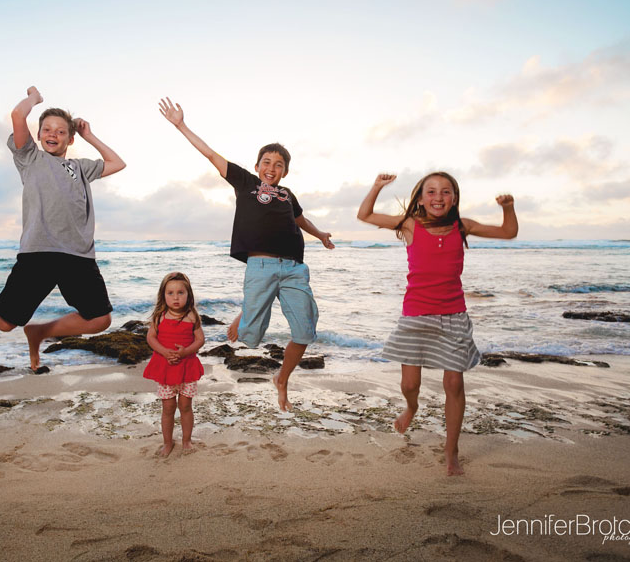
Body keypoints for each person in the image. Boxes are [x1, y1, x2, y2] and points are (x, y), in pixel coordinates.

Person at [159, 97, 334, 412]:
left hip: (294, 268)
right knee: (249, 337)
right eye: (267, 162)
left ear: (285, 172)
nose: (272, 167)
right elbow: (211, 154)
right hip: (261, 266)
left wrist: (320, 234)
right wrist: (181, 125)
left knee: (306, 331)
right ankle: (250, 309)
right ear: (257, 166)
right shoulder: (245, 182)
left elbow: (300, 220)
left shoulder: (287, 194)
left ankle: (282, 379)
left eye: (279, 165)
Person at [0, 86, 126, 373]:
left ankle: (40, 331)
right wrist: (34, 99)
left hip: (78, 256)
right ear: (39, 134)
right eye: (47, 130)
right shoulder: (29, 158)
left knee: (100, 320)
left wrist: (89, 135)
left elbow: (118, 163)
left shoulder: (79, 167)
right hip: (38, 253)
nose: (53, 135)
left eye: (60, 131)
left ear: (70, 137)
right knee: (5, 323)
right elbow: (18, 115)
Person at [357, 171, 517, 476]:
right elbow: (364, 215)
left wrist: (507, 208)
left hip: (454, 314)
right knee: (409, 384)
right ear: (420, 198)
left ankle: (451, 450)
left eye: (445, 192)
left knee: (454, 383)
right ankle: (412, 407)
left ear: (454, 198)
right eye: (431, 192)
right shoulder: (409, 225)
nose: (438, 197)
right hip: (415, 315)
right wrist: (377, 186)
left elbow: (508, 232)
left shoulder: (463, 226)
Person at [143, 272, 206, 457]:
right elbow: (151, 337)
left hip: (187, 368)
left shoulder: (192, 315)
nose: (176, 297)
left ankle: (186, 440)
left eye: (180, 292)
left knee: (186, 406)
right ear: (163, 295)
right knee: (168, 408)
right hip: (165, 368)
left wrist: (185, 351)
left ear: (189, 295)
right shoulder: (159, 316)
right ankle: (168, 442)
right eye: (170, 293)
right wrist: (164, 352)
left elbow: (200, 339)